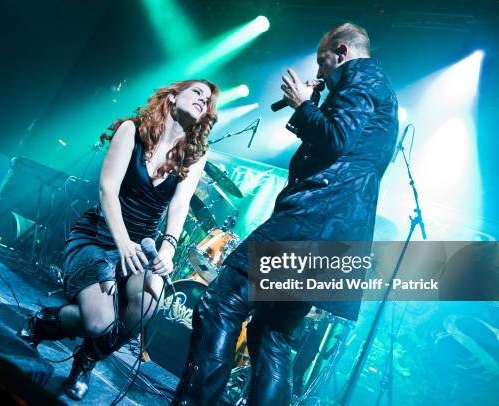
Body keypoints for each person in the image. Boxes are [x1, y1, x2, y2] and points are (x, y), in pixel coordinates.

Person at [171, 23, 399, 405]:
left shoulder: (359, 77)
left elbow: (337, 137)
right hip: (339, 237)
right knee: (272, 333)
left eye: (322, 61)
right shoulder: (380, 87)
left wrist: (304, 105)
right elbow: (338, 145)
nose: (321, 71)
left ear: (341, 51)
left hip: (312, 220)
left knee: (220, 304)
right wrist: (315, 108)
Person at [18, 79, 219, 401]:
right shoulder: (132, 130)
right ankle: (44, 322)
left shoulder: (196, 154)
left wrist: (167, 248)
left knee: (147, 303)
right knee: (97, 322)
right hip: (99, 236)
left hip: (141, 246)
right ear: (172, 96)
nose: (203, 101)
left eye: (208, 101)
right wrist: (123, 243)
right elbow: (107, 190)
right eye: (197, 92)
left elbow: (179, 206)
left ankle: (86, 361)